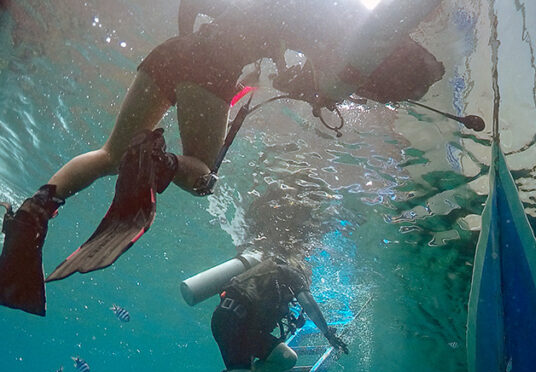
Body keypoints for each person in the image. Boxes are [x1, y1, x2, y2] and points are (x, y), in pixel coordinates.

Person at [0, 0, 444, 315]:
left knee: (111, 153)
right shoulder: (330, 23)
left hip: (173, 50)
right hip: (211, 69)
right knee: (202, 177)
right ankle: (160, 163)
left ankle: (36, 209)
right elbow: (316, 78)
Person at [169, 255, 348, 372]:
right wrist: (327, 333)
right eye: (309, 277)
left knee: (287, 358)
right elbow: (308, 302)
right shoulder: (293, 273)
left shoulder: (272, 279)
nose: (309, 282)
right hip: (231, 322)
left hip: (245, 327)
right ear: (303, 269)